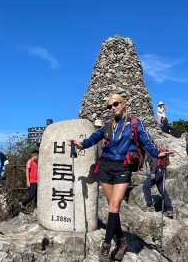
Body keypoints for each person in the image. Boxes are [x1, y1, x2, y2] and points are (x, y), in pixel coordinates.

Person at [69, 93, 169, 261]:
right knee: (112, 210)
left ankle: (106, 247)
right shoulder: (108, 125)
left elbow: (146, 141)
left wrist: (158, 154)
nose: (112, 108)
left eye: (115, 104)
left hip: (123, 167)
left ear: (124, 104)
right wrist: (83, 144)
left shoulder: (135, 124)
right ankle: (122, 241)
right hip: (106, 167)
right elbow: (95, 137)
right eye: (109, 106)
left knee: (114, 207)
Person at [143, 152, 173, 218]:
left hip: (156, 172)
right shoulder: (154, 148)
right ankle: (169, 209)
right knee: (162, 191)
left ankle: (150, 205)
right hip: (162, 172)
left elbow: (154, 161)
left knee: (146, 186)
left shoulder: (149, 149)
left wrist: (153, 173)